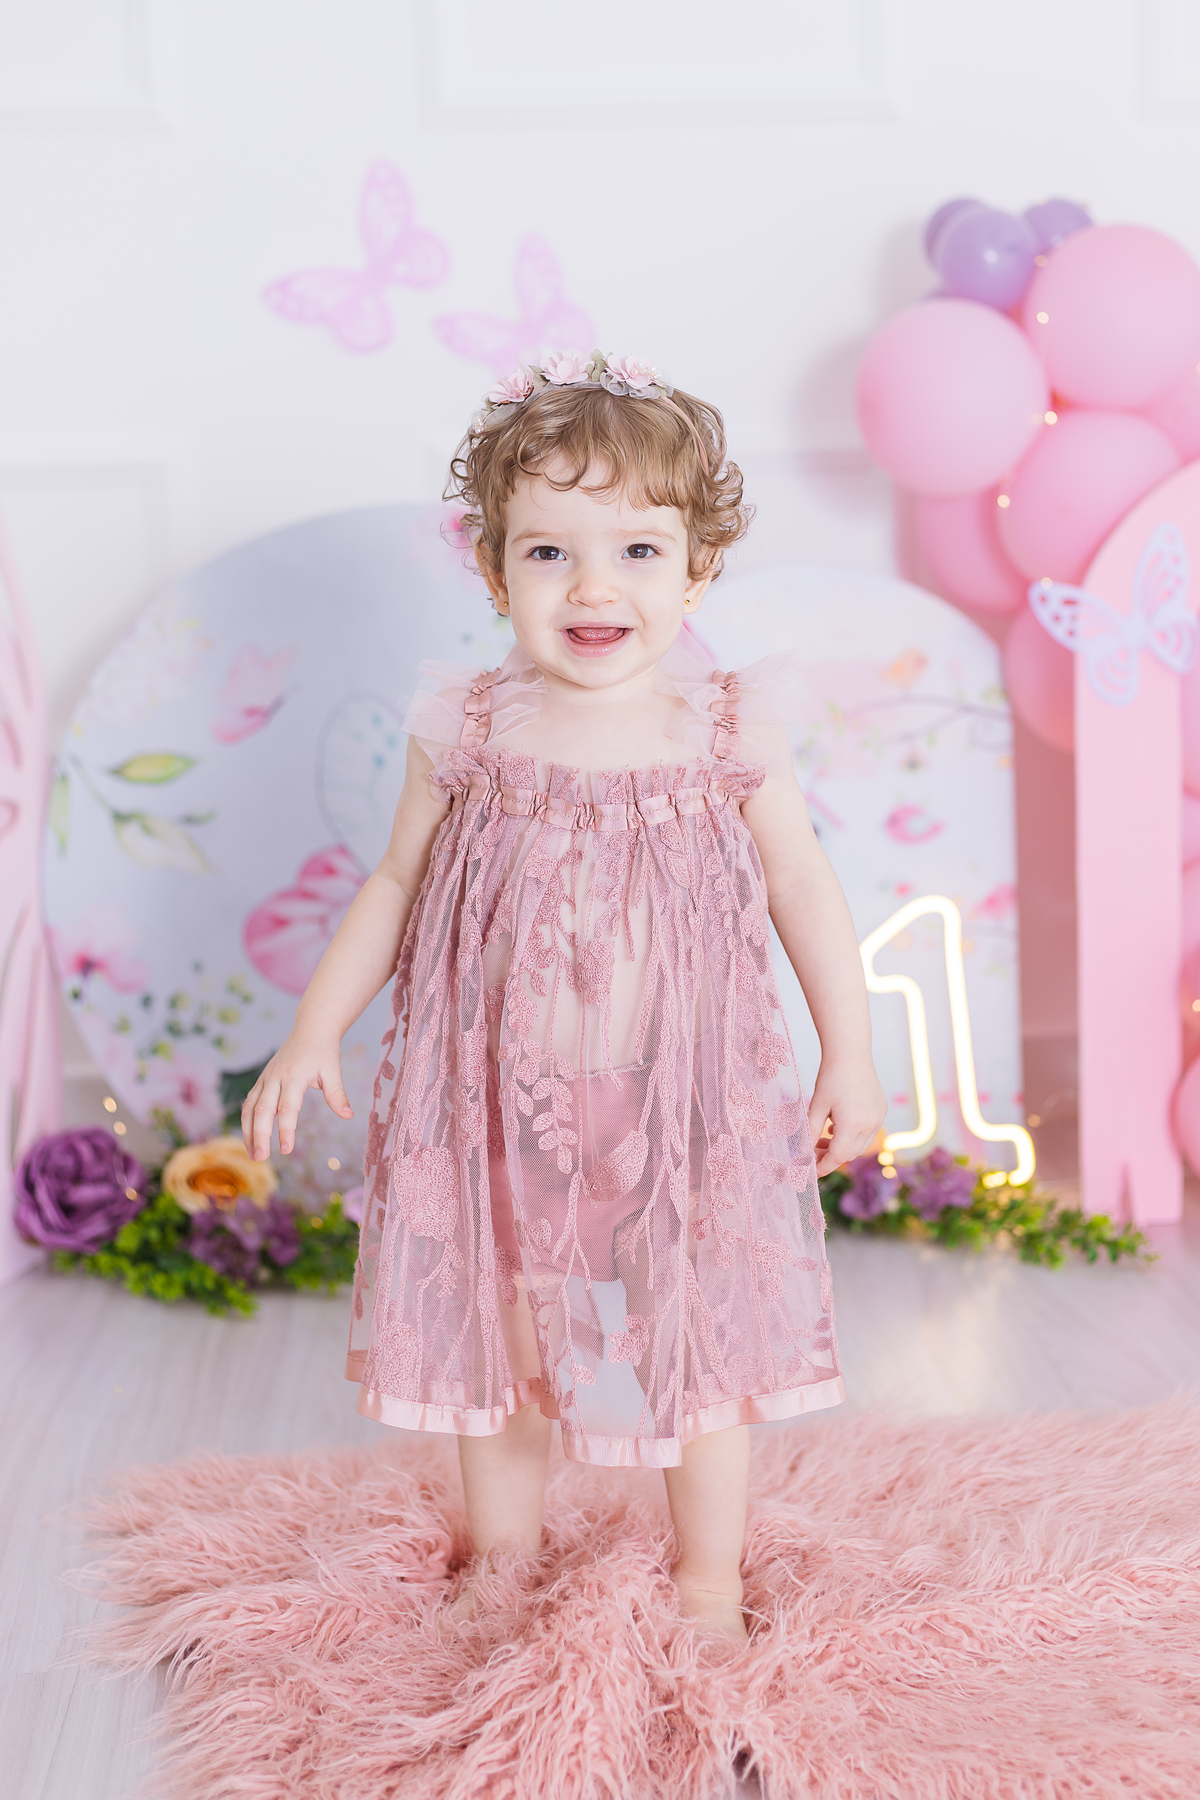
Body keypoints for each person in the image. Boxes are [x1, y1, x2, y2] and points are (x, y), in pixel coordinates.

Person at [241, 349, 885, 1640]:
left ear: (698, 571)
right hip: (497, 1106)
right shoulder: (470, 726)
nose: (594, 586)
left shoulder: (726, 731)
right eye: (548, 553)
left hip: (682, 1106)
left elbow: (802, 889)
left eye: (639, 551)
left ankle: (707, 1578)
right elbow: (395, 883)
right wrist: (314, 1030)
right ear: (495, 573)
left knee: (695, 1346)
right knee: (509, 1344)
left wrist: (850, 1055)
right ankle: (504, 1556)